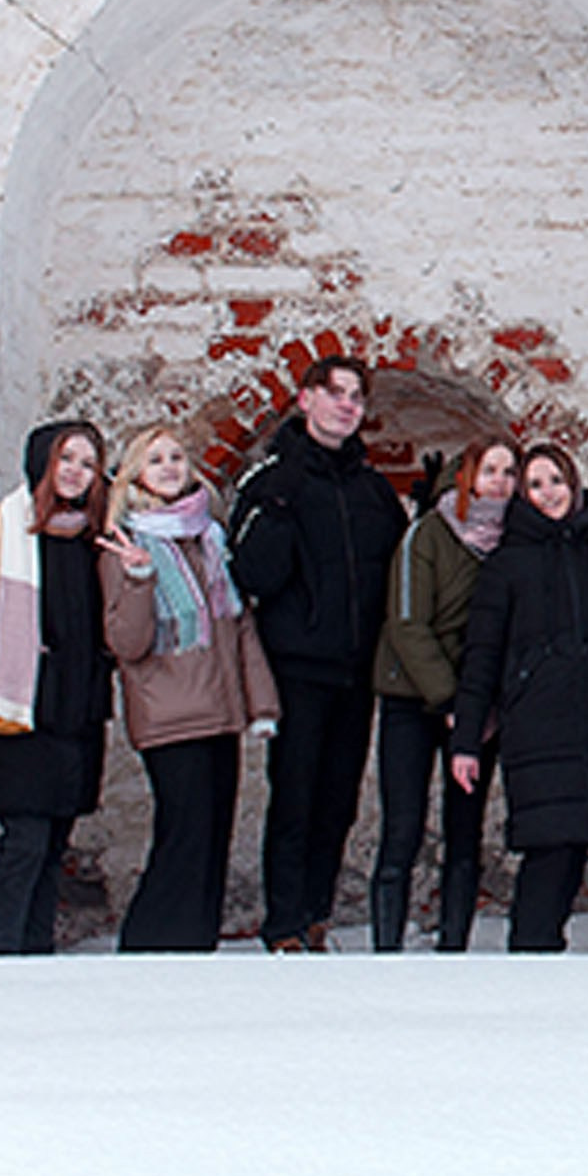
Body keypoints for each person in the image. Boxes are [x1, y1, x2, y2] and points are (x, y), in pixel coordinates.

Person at [228, 355, 408, 952]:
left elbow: (396, 575)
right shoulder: (271, 480)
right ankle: (283, 924)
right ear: (305, 399)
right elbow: (254, 573)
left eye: (357, 396)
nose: (347, 405)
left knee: (338, 800)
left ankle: (316, 914)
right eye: (335, 393)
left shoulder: (373, 490)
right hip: (297, 666)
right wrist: (277, 510)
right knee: (296, 796)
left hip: (357, 671)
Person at [99, 424, 281, 952]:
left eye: (176, 457)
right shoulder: (126, 543)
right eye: (155, 460)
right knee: (183, 834)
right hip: (170, 713)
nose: (169, 467)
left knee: (213, 836)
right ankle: (150, 945)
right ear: (136, 475)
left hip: (220, 710)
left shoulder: (208, 537)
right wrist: (138, 581)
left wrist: (261, 704)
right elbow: (127, 643)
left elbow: (238, 626)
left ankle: (195, 946)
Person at [450, 444, 588, 952]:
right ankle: (530, 947)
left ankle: (547, 948)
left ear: (573, 484)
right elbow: (481, 655)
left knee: (577, 841)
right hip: (535, 720)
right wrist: (467, 738)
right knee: (547, 842)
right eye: (536, 484)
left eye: (556, 481)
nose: (549, 493)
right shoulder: (506, 567)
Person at [0, 420, 114, 956]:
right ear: (42, 462)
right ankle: (1, 951)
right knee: (25, 840)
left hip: (77, 714)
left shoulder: (97, 535)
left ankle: (37, 953)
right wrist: (16, 644)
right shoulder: (3, 530)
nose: (75, 473)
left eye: (87, 464)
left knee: (54, 845)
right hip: (20, 709)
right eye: (66, 459)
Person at [368, 437, 515, 952]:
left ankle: (454, 944)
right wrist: (449, 700)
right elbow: (408, 623)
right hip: (414, 697)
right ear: (465, 476)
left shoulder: (512, 543)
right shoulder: (428, 534)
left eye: (508, 471)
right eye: (489, 469)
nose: (498, 480)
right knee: (403, 825)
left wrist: (475, 707)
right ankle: (386, 945)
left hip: (476, 707)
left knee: (465, 830)